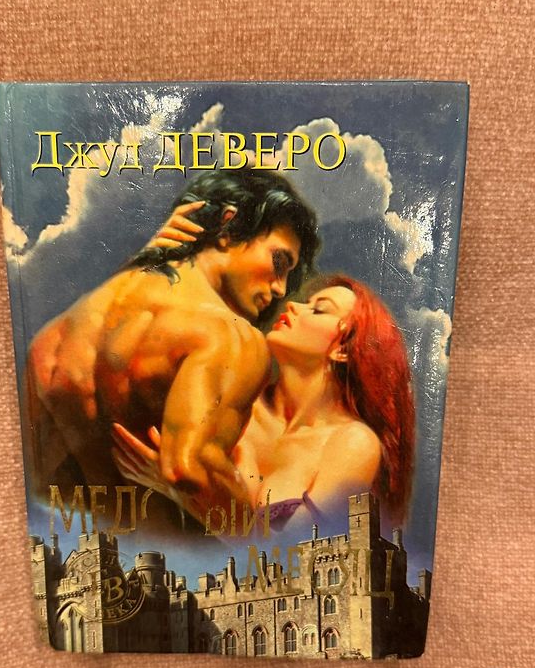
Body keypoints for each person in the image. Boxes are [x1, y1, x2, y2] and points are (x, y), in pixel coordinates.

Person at [24, 169, 320, 526]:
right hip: (182, 556)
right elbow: (189, 470)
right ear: (227, 227)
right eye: (280, 262)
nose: (280, 289)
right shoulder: (227, 335)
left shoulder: (52, 337)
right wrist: (264, 537)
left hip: (91, 549)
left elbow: (37, 484)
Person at [113, 273, 415, 536]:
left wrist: (183, 495)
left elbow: (292, 557)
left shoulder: (352, 443)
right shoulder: (237, 403)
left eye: (319, 309)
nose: (293, 305)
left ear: (344, 350)